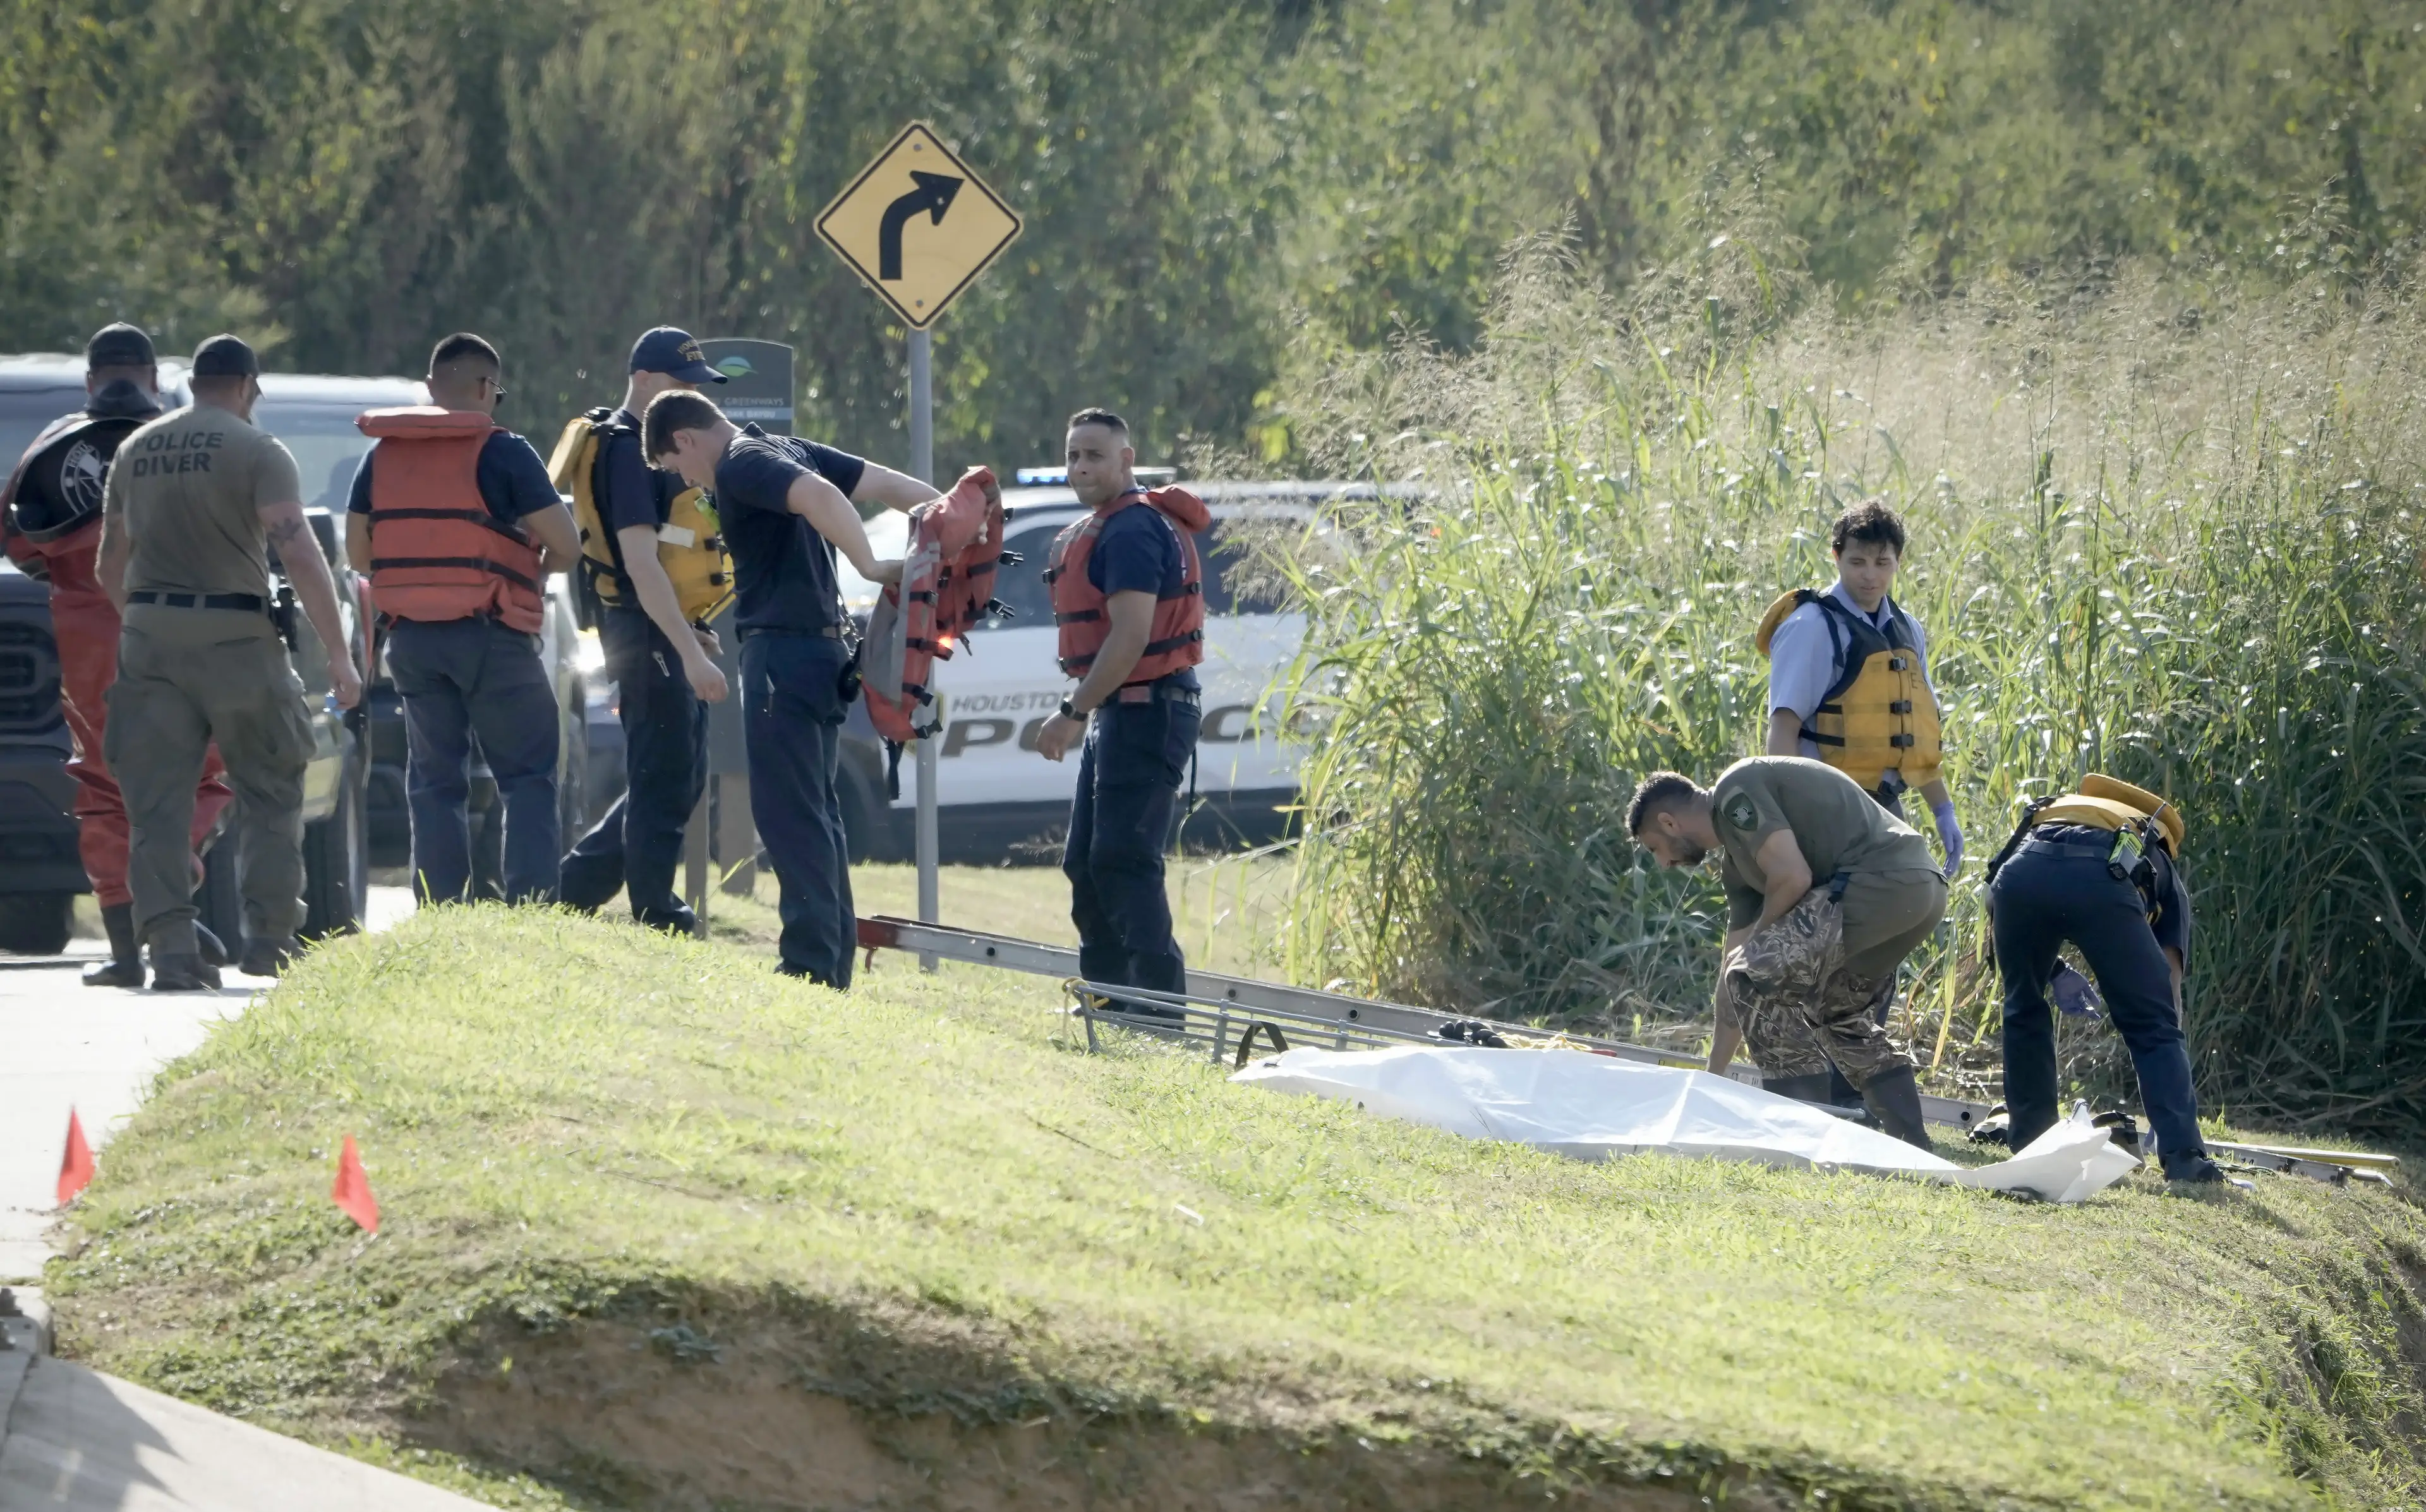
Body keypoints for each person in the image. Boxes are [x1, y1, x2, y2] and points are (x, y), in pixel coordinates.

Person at [95, 333, 364, 988]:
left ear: (194, 383)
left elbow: (109, 564)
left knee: (156, 804)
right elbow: (297, 552)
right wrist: (338, 653)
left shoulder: (135, 450)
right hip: (238, 640)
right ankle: (270, 938)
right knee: (270, 787)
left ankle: (172, 951)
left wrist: (144, 623)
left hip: (149, 636)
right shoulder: (257, 450)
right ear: (248, 386)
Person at [644, 390, 926, 985]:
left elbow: (823, 497)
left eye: (678, 467)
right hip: (822, 652)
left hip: (784, 655)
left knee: (789, 815)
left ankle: (810, 966)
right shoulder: (787, 448)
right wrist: (955, 519)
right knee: (818, 812)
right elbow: (886, 485)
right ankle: (832, 958)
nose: (690, 482)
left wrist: (873, 567)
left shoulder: (741, 462)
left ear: (687, 440)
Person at [2, 323, 236, 987]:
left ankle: (131, 952)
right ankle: (176, 897)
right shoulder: (194, 441)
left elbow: (19, 541)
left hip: (88, 642)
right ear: (154, 378)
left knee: (104, 788)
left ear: (89, 379)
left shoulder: (50, 447)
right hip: (189, 627)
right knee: (200, 776)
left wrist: (79, 579)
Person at [345, 333, 580, 906]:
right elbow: (568, 546)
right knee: (526, 777)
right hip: (492, 636)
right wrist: (531, 572)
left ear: (430, 388)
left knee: (433, 782)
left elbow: (358, 556)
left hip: (414, 645)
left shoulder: (381, 458)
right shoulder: (506, 452)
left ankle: (441, 907)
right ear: (484, 388)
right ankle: (530, 906)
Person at [1629, 757, 1946, 1147]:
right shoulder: (1738, 865)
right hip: (1919, 893)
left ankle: (1795, 1136)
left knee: (1754, 973)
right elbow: (1733, 978)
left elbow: (1794, 877)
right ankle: (1912, 1145)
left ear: (1669, 823)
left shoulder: (1734, 790)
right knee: (1842, 1018)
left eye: (1655, 848)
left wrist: (1755, 951)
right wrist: (1711, 1078)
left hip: (1881, 882)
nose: (1664, 863)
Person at [558, 328, 732, 932]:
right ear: (643, 381)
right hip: (641, 626)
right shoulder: (626, 451)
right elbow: (640, 559)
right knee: (662, 775)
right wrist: (686, 649)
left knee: (678, 775)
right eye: (680, 384)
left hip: (665, 623)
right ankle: (657, 912)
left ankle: (570, 893)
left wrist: (690, 631)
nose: (690, 397)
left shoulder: (644, 442)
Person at [1030, 410, 1207, 1002]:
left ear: (1126, 460)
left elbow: (1130, 637)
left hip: (1148, 711)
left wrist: (1073, 712)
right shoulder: (1105, 526)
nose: (1081, 466)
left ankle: (1158, 1014)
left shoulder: (1131, 530)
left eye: (1095, 455)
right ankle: (1109, 1003)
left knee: (1124, 862)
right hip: (1121, 712)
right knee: (1087, 863)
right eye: (1073, 454)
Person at [1984, 774, 2224, 1184]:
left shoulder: (2051, 813)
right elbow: (2168, 988)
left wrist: (2052, 972)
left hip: (2022, 873)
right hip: (2103, 879)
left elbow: (1994, 895)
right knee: (2153, 1024)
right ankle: (2185, 1160)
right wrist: (2163, 1030)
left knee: (2022, 1007)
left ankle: (2032, 1148)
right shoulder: (2156, 849)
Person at [1755, 499, 1960, 869]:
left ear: (1898, 561)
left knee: (1907, 910)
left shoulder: (1907, 629)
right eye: (1857, 562)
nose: (1870, 576)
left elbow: (1916, 734)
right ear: (1836, 557)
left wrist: (1943, 809)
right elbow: (1783, 731)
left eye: (1882, 564)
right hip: (1825, 807)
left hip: (1885, 806)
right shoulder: (1813, 626)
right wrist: (1794, 820)